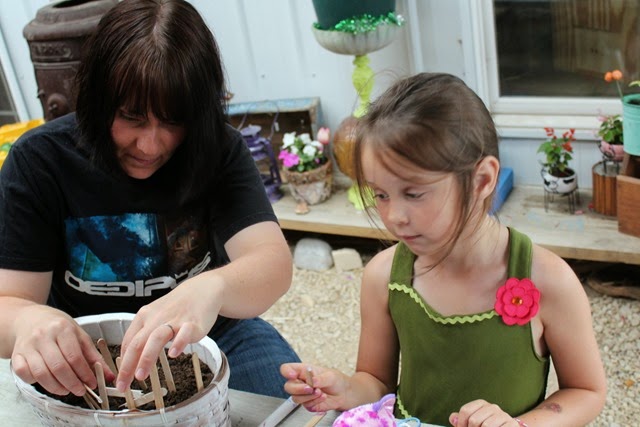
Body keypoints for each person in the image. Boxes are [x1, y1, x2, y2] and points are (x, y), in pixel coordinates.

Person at [0, 0, 299, 399]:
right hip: (85, 349)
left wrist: (211, 288)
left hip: (210, 334)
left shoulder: (217, 147)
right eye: (131, 117)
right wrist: (28, 322)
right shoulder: (40, 160)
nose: (150, 145)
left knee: (290, 409)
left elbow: (272, 263)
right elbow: (8, 302)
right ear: (96, 101)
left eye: (173, 121)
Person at [281, 73, 607, 426]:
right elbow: (376, 381)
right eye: (381, 194)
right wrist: (346, 388)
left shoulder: (548, 280)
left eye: (414, 193)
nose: (394, 216)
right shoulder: (384, 277)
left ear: (482, 180)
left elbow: (586, 391)